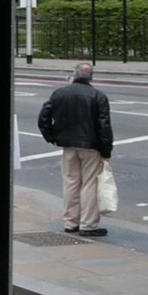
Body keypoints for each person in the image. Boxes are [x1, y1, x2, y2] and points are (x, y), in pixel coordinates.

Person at [38, 62, 114, 237]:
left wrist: (52, 137)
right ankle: (88, 224)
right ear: (91, 77)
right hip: (91, 146)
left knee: (71, 182)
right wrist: (106, 150)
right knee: (89, 184)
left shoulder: (59, 94)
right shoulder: (98, 96)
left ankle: (71, 222)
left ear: (74, 75)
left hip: (68, 145)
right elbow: (104, 126)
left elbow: (43, 117)